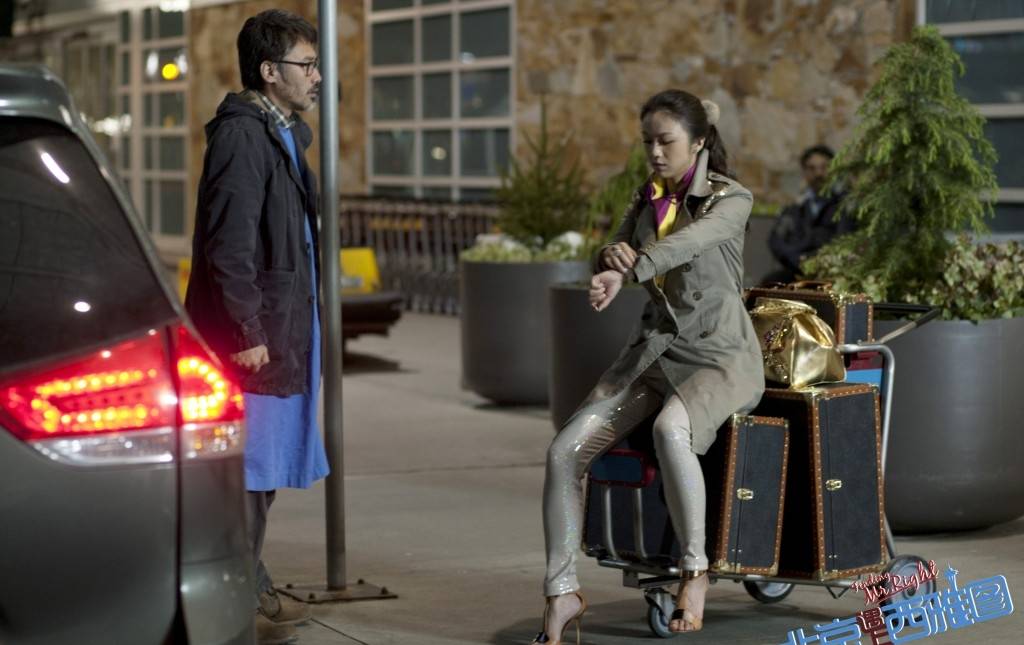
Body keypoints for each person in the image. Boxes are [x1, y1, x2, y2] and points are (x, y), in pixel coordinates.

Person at [532, 89, 764, 643]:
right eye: (647, 143)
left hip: (721, 357)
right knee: (564, 452)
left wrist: (632, 265)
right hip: (655, 354)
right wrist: (609, 261)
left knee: (670, 430)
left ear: (699, 142)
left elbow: (688, 243)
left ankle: (695, 571)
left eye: (666, 141)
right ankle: (562, 593)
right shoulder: (646, 198)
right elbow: (617, 247)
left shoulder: (732, 199)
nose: (655, 153)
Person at [184, 9, 328, 644]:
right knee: (246, 476)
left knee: (259, 476)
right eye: (306, 65)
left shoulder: (280, 132)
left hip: (280, 328)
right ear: (270, 71)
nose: (316, 76)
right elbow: (230, 243)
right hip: (257, 339)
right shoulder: (244, 136)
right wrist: (246, 331)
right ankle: (234, 602)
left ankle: (246, 584)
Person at [764, 144, 854, 283]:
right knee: (768, 284)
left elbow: (843, 241)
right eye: (812, 168)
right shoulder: (795, 207)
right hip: (795, 269)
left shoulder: (843, 205)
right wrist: (795, 259)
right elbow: (776, 240)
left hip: (830, 274)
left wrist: (812, 259)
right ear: (804, 172)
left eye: (824, 167)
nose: (818, 174)